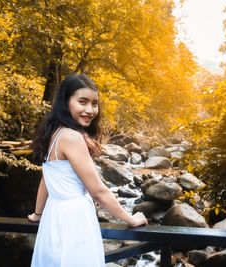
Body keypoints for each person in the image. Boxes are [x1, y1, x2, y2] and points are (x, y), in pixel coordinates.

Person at [28, 73, 147, 267]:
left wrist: (38, 214)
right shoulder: (72, 137)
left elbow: (47, 178)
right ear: (65, 102)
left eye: (94, 103)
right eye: (82, 102)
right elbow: (98, 192)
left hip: (54, 217)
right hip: (73, 220)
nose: (90, 110)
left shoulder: (54, 133)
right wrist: (130, 219)